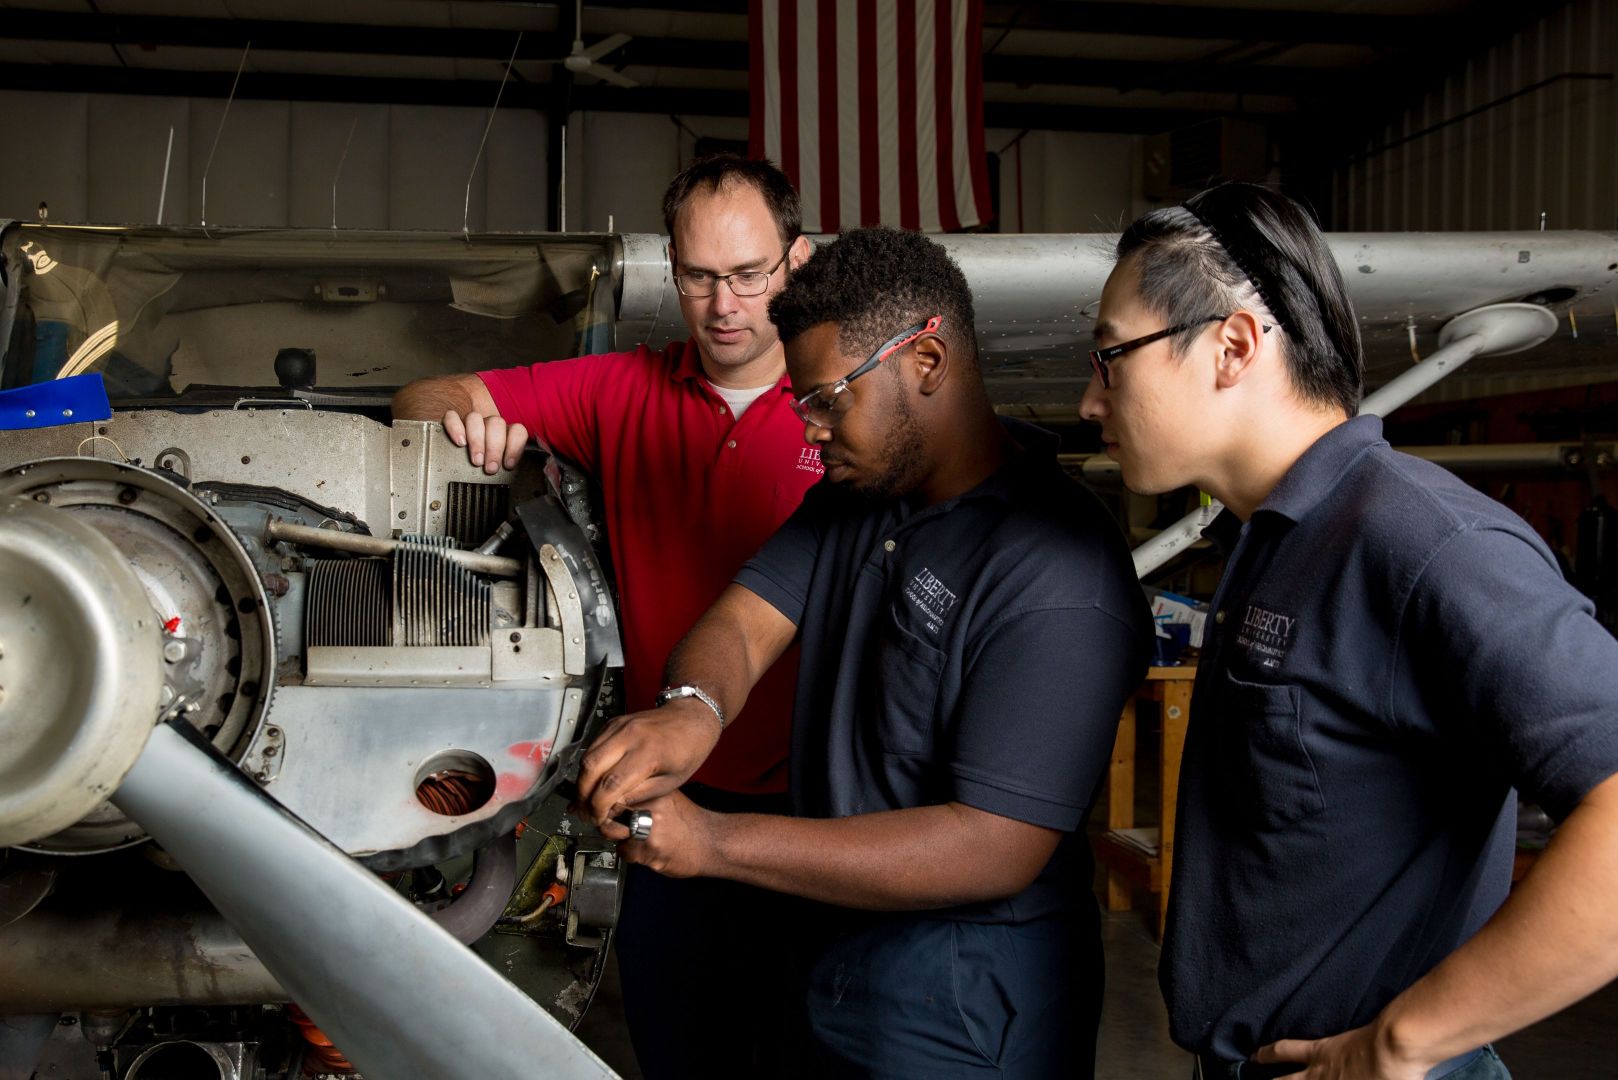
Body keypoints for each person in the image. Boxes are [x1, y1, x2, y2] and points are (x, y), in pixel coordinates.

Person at [575, 226, 1154, 1078]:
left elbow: (993, 845)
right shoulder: (864, 497)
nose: (810, 431)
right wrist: (690, 714)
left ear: (924, 361)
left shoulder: (1060, 569)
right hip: (830, 969)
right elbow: (742, 622)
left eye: (827, 399)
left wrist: (718, 845)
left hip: (960, 1023)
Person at [1078, 182, 1618, 1080]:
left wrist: (1400, 1044)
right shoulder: (1274, 537)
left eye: (1110, 357)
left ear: (1233, 345)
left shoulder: (1422, 541)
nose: (1092, 402)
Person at [391, 155, 818, 1079]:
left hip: (825, 805)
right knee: (680, 1051)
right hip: (666, 803)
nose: (725, 304)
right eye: (700, 277)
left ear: (796, 262)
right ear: (672, 270)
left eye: (749, 275)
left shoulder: (843, 409)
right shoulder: (619, 388)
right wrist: (468, 425)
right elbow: (424, 397)